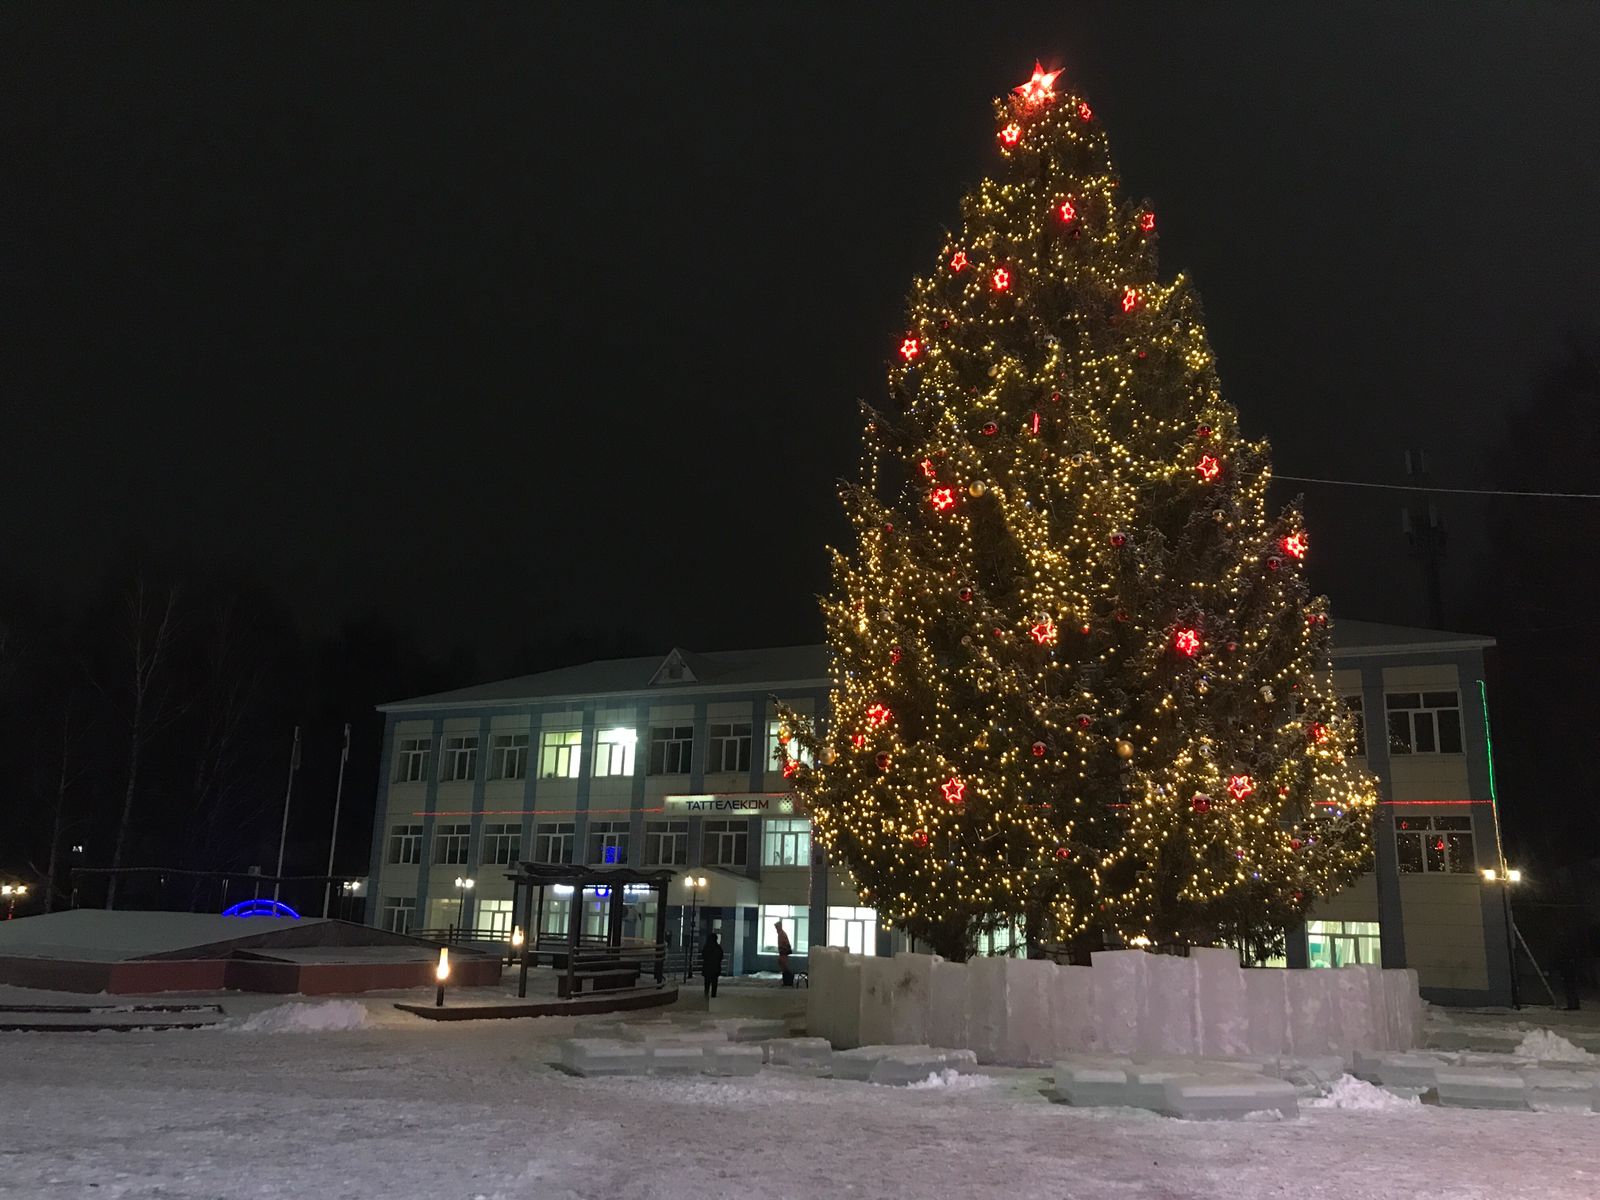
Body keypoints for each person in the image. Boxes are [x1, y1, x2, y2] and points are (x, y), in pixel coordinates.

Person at [702, 931, 724, 1000]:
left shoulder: (706, 947)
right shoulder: (718, 948)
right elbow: (720, 956)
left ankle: (706, 993)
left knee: (707, 982)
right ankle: (713, 994)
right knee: (714, 982)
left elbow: (703, 955)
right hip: (715, 968)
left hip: (707, 967)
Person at [775, 918, 794, 987]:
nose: (776, 929)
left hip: (783, 952)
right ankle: (787, 979)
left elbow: (784, 944)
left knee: (784, 966)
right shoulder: (781, 934)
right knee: (782, 965)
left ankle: (788, 979)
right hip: (783, 952)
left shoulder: (782, 934)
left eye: (776, 927)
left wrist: (782, 951)